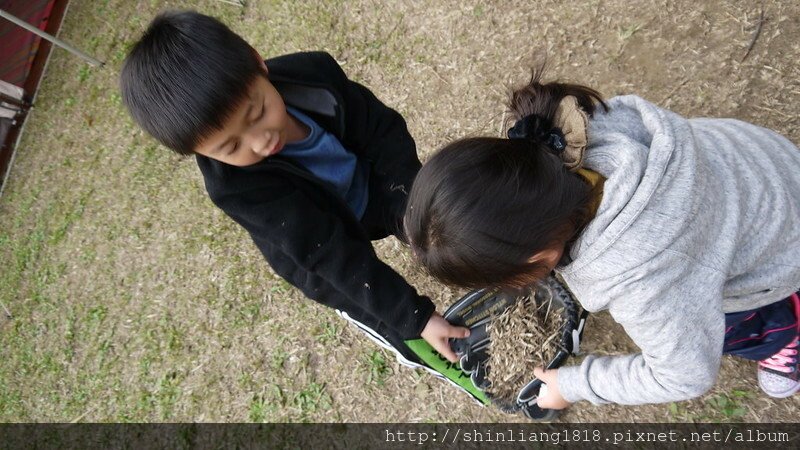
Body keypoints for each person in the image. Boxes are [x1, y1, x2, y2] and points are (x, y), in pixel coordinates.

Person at [403, 63, 800, 409]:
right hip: (763, 164)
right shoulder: (563, 134)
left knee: (732, 321)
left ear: (537, 258)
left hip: (781, 250)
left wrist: (573, 385)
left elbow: (685, 375)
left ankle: (781, 339)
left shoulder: (649, 285)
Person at [119, 10, 473, 391]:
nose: (260, 141)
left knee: (442, 225)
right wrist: (415, 317)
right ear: (198, 152)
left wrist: (410, 207)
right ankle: (450, 366)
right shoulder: (236, 189)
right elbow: (331, 254)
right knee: (394, 319)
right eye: (232, 146)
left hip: (369, 187)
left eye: (257, 113)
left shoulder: (314, 76)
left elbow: (381, 131)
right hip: (315, 250)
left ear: (257, 61)